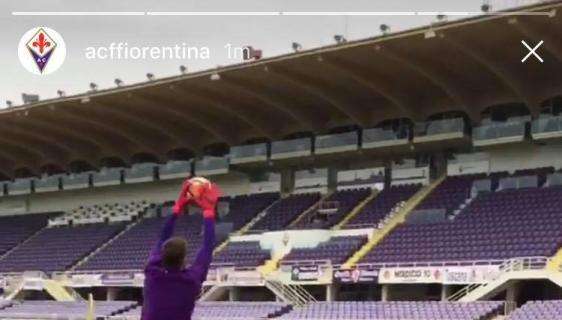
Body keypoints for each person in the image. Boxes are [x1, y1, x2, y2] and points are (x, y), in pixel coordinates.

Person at [141, 178, 220, 320]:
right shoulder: (192, 279)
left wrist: (177, 208)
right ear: (184, 258)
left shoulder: (152, 273)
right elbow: (208, 246)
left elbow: (162, 237)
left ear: (162, 255)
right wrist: (208, 211)